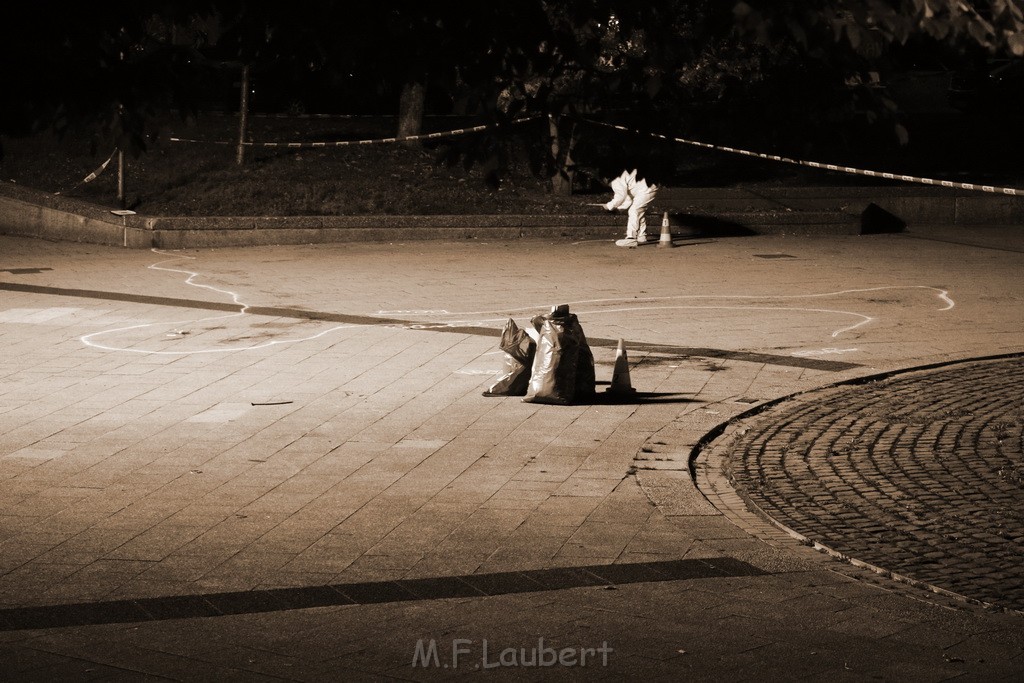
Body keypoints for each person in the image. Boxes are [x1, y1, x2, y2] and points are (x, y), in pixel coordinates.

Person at [603, 169, 658, 247]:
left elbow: (620, 196)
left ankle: (631, 238)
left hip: (646, 190)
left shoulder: (616, 181)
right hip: (648, 188)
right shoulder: (621, 177)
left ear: (606, 179)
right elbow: (628, 198)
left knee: (634, 210)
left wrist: (609, 206)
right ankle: (642, 236)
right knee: (638, 211)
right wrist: (619, 207)